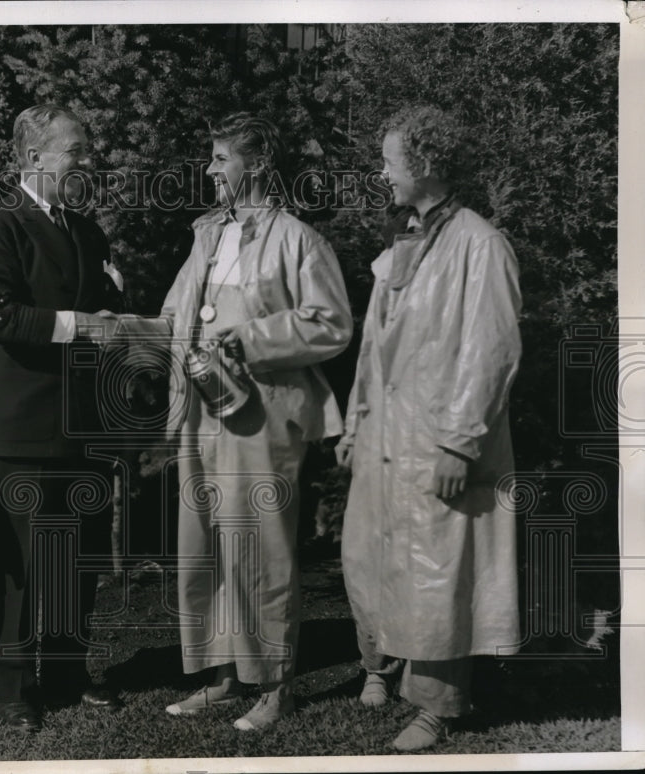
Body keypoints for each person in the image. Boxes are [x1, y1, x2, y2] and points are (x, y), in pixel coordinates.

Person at [126, 113, 351, 730]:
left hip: (265, 417)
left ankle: (275, 686)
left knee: (262, 547)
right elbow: (175, 316)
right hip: (201, 410)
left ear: (254, 165)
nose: (209, 169)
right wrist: (118, 318)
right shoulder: (206, 235)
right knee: (206, 544)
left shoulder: (298, 240)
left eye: (220, 157)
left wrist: (249, 337)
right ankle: (225, 675)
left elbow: (332, 323)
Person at [337, 105, 523, 751]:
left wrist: (458, 441)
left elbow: (492, 348)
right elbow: (374, 346)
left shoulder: (479, 244)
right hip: (388, 437)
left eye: (389, 161)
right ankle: (391, 673)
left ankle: (441, 706)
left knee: (440, 574)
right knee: (385, 562)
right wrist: (356, 419)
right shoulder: (408, 240)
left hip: (438, 439)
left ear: (424, 164)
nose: (381, 173)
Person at [0, 103, 124, 732]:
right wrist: (80, 324)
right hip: (26, 429)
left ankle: (66, 670)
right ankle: (12, 688)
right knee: (26, 565)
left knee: (78, 561)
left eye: (87, 149)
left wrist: (112, 302)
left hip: (86, 425)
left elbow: (102, 308)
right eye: (76, 150)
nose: (88, 161)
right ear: (34, 158)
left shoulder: (85, 228)